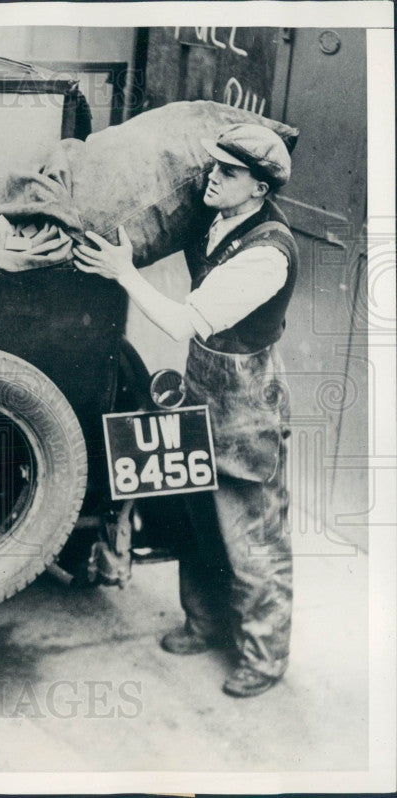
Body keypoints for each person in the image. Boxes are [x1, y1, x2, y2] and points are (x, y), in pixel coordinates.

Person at [73, 123, 297, 698]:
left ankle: (263, 656)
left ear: (260, 189)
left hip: (248, 407)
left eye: (229, 172)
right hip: (204, 387)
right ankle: (205, 622)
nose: (212, 176)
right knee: (198, 519)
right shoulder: (218, 216)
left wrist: (123, 272)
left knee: (252, 536)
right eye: (213, 166)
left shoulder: (267, 254)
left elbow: (182, 321)